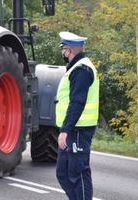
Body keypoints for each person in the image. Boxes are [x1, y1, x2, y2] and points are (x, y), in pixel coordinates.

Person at [55, 31, 99, 200]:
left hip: (78, 130)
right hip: (73, 129)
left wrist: (65, 130)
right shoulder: (76, 68)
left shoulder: (82, 70)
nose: (62, 54)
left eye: (63, 49)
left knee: (78, 174)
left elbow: (77, 102)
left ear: (68, 50)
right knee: (63, 174)